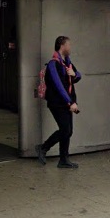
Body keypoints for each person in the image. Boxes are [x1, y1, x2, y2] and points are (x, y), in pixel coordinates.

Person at [37, 35, 81, 168]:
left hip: (67, 102)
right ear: (62, 45)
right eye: (69, 45)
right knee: (65, 129)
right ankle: (43, 148)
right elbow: (58, 86)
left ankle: (63, 160)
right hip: (57, 103)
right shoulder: (53, 64)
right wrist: (70, 103)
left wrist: (74, 74)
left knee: (68, 131)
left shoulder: (67, 63)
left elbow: (78, 75)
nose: (70, 47)